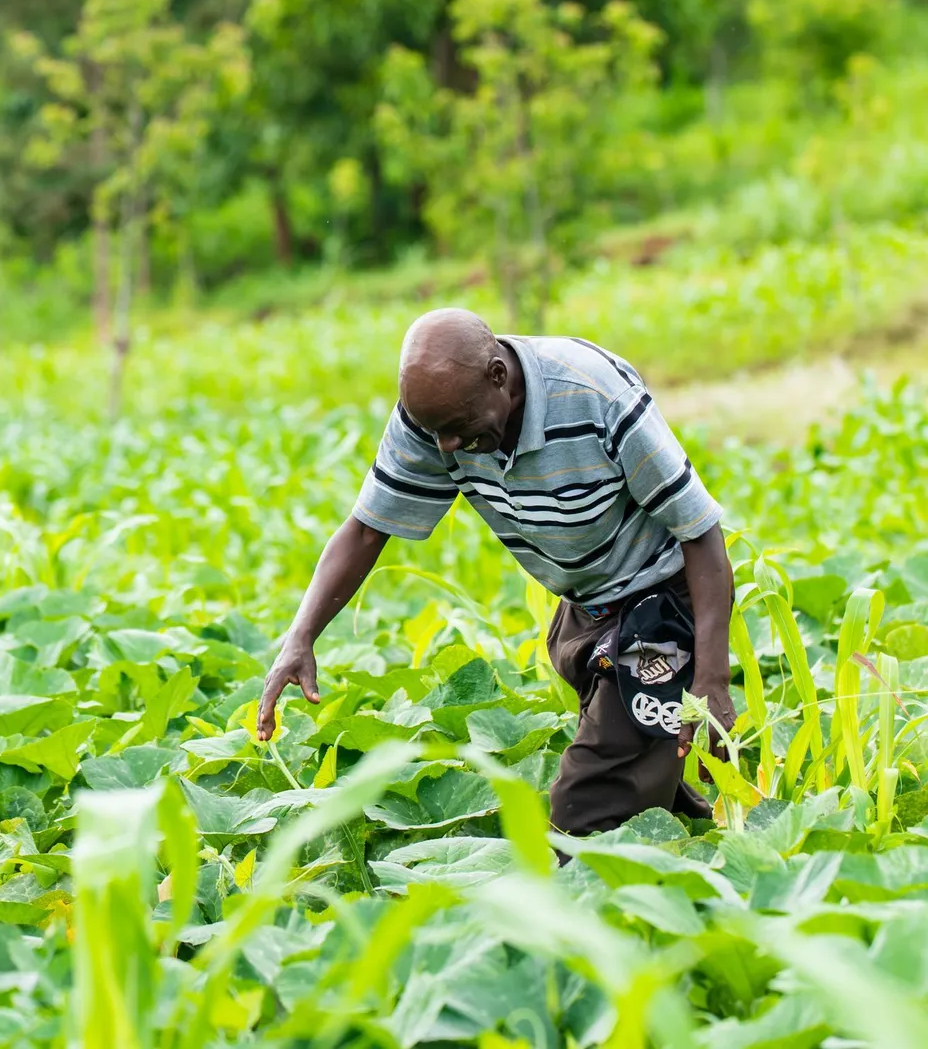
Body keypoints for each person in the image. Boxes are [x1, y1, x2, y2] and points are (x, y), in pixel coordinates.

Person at [257, 309, 735, 836]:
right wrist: (300, 637)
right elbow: (368, 530)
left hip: (664, 604)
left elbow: (700, 533)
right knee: (636, 779)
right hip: (586, 611)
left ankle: (571, 905)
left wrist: (711, 676)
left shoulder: (593, 392)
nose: (446, 449)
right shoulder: (438, 416)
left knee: (588, 808)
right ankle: (700, 849)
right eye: (434, 432)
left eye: (458, 429)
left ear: (498, 376)